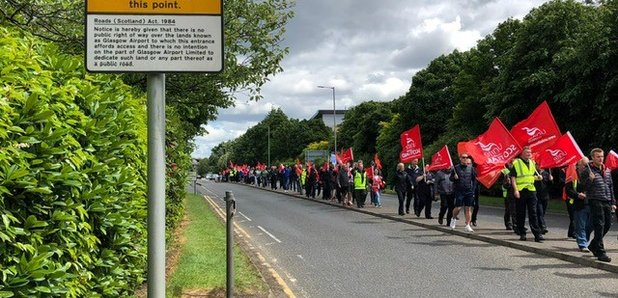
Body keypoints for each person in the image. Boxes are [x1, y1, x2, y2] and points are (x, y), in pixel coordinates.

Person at [580, 148, 616, 262]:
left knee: (608, 224)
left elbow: (610, 187)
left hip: (606, 200)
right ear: (592, 158)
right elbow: (582, 188)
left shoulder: (607, 170)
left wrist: (613, 202)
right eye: (598, 157)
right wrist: (590, 180)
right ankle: (601, 252)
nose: (601, 159)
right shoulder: (587, 171)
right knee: (599, 225)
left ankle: (593, 245)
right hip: (595, 200)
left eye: (602, 156)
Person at [511, 146, 543, 242]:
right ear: (522, 153)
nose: (529, 154)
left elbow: (531, 177)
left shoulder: (532, 163)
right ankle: (522, 233)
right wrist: (515, 190)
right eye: (527, 152)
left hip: (531, 190)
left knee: (533, 212)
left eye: (530, 152)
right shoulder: (516, 163)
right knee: (521, 213)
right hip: (521, 190)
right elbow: (513, 178)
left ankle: (537, 234)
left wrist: (538, 178)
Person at [566, 157, 592, 252]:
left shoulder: (592, 173)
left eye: (588, 165)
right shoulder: (572, 174)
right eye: (585, 165)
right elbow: (568, 190)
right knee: (580, 224)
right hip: (579, 203)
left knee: (590, 224)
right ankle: (582, 244)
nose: (587, 167)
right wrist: (577, 194)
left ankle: (585, 239)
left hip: (591, 202)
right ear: (579, 165)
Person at [450, 153, 477, 233]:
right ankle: (453, 218)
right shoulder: (456, 168)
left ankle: (468, 225)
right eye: (463, 157)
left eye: (466, 157)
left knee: (468, 208)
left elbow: (474, 180)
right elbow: (451, 178)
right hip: (459, 190)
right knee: (458, 207)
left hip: (469, 190)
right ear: (460, 158)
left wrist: (473, 189)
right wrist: (454, 177)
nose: (465, 159)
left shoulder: (471, 168)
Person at [534, 163, 553, 234]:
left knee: (543, 212)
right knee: (540, 212)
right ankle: (543, 226)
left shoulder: (546, 174)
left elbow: (550, 186)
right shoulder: (534, 173)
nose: (539, 166)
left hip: (545, 196)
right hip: (537, 196)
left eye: (540, 165)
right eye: (537, 165)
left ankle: (539, 226)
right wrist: (536, 178)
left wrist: (551, 180)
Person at [500, 163, 517, 231]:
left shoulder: (516, 170)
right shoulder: (504, 171)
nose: (511, 164)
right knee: (508, 210)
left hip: (515, 193)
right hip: (507, 194)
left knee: (515, 210)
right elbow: (502, 183)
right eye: (510, 162)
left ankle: (515, 224)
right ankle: (508, 224)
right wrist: (507, 183)